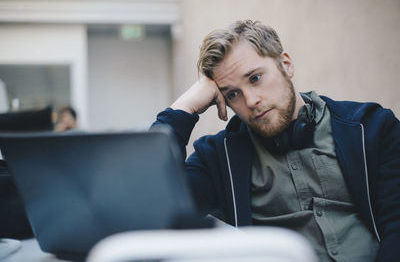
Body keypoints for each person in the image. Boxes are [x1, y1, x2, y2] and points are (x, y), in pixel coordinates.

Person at [152, 20, 400, 262]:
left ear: (286, 64)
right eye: (233, 94)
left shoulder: (371, 127)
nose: (250, 101)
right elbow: (150, 205)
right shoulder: (217, 158)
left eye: (255, 78)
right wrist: (185, 108)